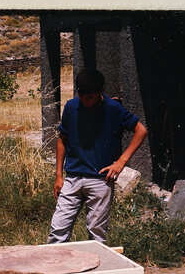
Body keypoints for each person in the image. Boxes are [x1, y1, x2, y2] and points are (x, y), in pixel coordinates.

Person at [48, 69, 148, 244]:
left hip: (100, 180)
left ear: (100, 93)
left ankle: (96, 269)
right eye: (82, 96)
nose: (86, 101)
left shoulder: (113, 109)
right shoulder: (71, 107)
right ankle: (55, 268)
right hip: (73, 177)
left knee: (96, 233)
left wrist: (121, 162)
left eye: (90, 97)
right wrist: (58, 176)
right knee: (58, 230)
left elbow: (141, 130)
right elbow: (62, 140)